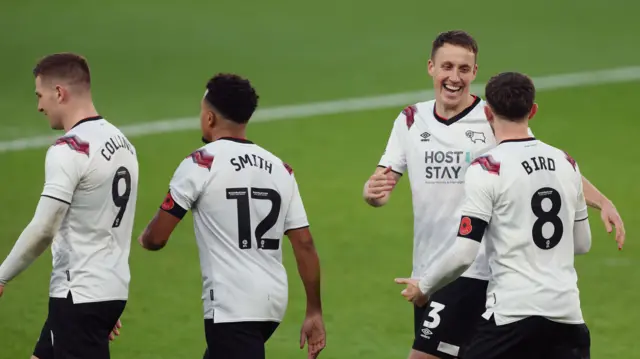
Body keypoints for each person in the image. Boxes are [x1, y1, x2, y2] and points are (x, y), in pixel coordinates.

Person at [363, 30, 625, 359]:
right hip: (430, 266)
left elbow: (541, 166)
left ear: (474, 72)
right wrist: (373, 194)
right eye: (447, 67)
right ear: (431, 67)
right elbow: (382, 182)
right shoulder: (410, 119)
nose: (454, 77)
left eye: (463, 69)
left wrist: (601, 200)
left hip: (476, 268)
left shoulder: (495, 116)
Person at [396, 71, 595, 359]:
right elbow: (582, 244)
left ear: (488, 113)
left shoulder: (489, 167)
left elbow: (465, 252)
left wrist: (423, 288)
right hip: (568, 318)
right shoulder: (566, 163)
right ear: (533, 110)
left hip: (512, 316)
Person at [137, 73, 326, 359]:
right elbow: (305, 243)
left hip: (231, 306)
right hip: (272, 303)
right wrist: (314, 310)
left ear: (210, 118)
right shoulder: (280, 169)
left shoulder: (202, 162)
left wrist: (144, 238)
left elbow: (157, 238)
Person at [0, 53, 138, 359]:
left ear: (59, 93)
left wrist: (2, 275)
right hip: (106, 291)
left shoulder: (70, 149)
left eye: (40, 96)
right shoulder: (124, 144)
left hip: (78, 294)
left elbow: (44, 228)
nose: (38, 106)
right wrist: (104, 300)